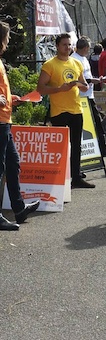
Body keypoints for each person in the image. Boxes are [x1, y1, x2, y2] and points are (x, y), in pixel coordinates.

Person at [37, 33, 95, 189]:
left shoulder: (76, 63)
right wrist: (59, 89)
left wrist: (81, 85)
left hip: (76, 108)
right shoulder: (50, 64)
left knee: (77, 145)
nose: (68, 47)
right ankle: (60, 179)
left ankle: (76, 178)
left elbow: (85, 85)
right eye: (64, 44)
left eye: (69, 45)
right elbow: (40, 88)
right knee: (61, 148)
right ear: (57, 46)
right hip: (59, 111)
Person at [0, 21, 40, 230]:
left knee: (13, 165)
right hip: (0, 121)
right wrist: (1, 99)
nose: (9, 41)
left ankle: (19, 209)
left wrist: (9, 96)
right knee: (1, 169)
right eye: (7, 37)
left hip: (5, 120)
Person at [71, 37, 106, 158]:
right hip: (82, 96)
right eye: (88, 48)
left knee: (96, 123)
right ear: (85, 48)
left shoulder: (84, 59)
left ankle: (102, 149)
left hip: (89, 94)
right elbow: (78, 79)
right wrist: (92, 80)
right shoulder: (74, 59)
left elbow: (86, 76)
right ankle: (94, 150)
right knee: (92, 123)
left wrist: (93, 80)